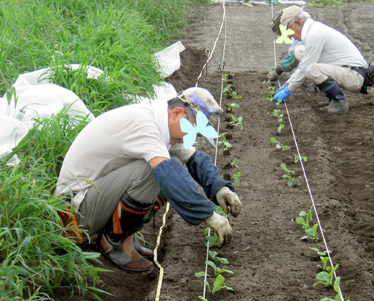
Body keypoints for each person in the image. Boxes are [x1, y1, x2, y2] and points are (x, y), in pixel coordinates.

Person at [56, 87, 242, 272]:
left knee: (172, 161)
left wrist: (219, 188)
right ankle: (113, 241)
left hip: (93, 199)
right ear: (178, 113)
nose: (192, 138)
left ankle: (125, 237)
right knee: (157, 170)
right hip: (74, 213)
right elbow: (168, 173)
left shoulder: (162, 121)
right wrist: (209, 215)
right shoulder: (144, 125)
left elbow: (193, 158)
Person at [272, 6, 374, 113]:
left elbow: (305, 67)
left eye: (288, 30)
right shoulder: (313, 29)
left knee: (312, 69)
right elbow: (305, 61)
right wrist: (287, 84)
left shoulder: (315, 34)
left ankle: (339, 102)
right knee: (300, 51)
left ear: (298, 23)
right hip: (347, 70)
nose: (290, 37)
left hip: (355, 76)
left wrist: (289, 89)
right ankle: (331, 98)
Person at [266, 8, 305, 82]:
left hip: (329, 66)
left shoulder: (302, 34)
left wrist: (276, 72)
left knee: (299, 53)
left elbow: (292, 58)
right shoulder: (307, 26)